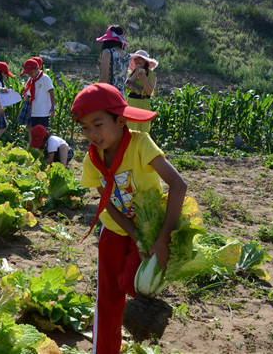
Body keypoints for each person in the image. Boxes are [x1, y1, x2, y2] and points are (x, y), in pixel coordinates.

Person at [71, 83, 187, 353]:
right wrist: (132, 234)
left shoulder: (139, 143)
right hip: (114, 230)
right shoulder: (92, 160)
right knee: (108, 296)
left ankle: (142, 326)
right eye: (85, 127)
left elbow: (178, 185)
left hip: (152, 231)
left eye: (98, 124)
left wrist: (162, 240)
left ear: (121, 120)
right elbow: (106, 204)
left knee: (130, 284)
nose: (92, 134)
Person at [19, 58, 55, 141]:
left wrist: (53, 107)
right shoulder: (32, 80)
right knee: (34, 134)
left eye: (31, 72)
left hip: (43, 112)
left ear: (37, 68)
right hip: (34, 112)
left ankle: (44, 151)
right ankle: (35, 150)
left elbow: (51, 92)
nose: (29, 75)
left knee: (43, 134)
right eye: (28, 73)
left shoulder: (45, 78)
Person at [125, 50, 158, 133]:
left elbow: (149, 92)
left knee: (142, 129)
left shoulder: (151, 75)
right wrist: (136, 72)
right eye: (136, 59)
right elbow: (127, 85)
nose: (137, 61)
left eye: (140, 59)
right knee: (130, 127)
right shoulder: (132, 73)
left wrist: (144, 79)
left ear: (145, 61)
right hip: (132, 102)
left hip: (144, 103)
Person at [96, 25, 131, 98]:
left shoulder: (108, 52)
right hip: (121, 95)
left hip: (109, 94)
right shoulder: (127, 56)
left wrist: (96, 94)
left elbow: (104, 78)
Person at [17, 56, 45, 139]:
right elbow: (28, 87)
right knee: (29, 125)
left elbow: (40, 92)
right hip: (28, 100)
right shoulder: (31, 76)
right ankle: (30, 142)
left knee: (34, 125)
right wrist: (26, 94)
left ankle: (35, 143)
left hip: (35, 102)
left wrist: (32, 97)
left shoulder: (42, 78)